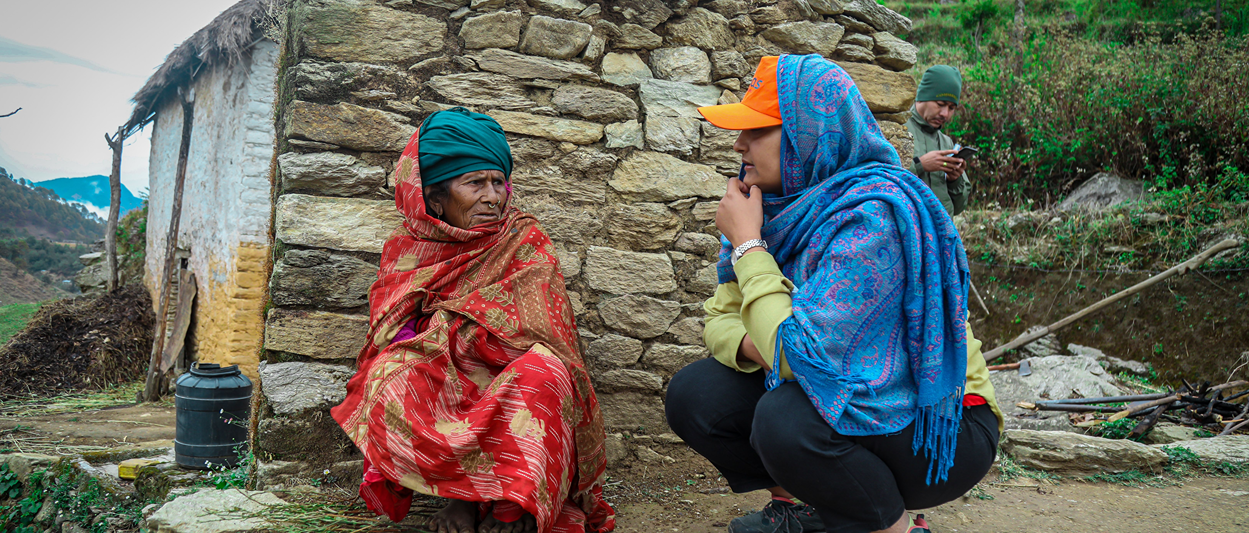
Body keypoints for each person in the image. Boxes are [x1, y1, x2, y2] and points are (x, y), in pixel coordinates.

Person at [664, 55, 1004, 533]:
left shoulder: (874, 216)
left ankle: (897, 527)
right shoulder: (774, 208)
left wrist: (749, 247)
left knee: (786, 419)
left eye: (757, 130)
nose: (739, 144)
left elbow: (795, 355)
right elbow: (719, 321)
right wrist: (764, 342)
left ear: (811, 134)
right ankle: (811, 509)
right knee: (695, 395)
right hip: (853, 401)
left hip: (942, 428)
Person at [331, 107, 615, 533]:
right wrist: (442, 342)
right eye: (475, 183)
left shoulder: (523, 238)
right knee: (391, 374)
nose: (493, 196)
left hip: (510, 367)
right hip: (443, 368)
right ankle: (460, 499)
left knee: (546, 372)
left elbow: (548, 329)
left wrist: (458, 330)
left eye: (498, 182)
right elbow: (391, 331)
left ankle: (514, 502)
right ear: (435, 198)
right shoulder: (408, 251)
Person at [908, 65, 970, 217]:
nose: (945, 114)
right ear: (923, 97)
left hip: (942, 235)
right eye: (940, 104)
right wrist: (920, 165)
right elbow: (876, 180)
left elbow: (959, 207)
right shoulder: (895, 128)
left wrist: (955, 180)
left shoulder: (947, 143)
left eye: (951, 108)